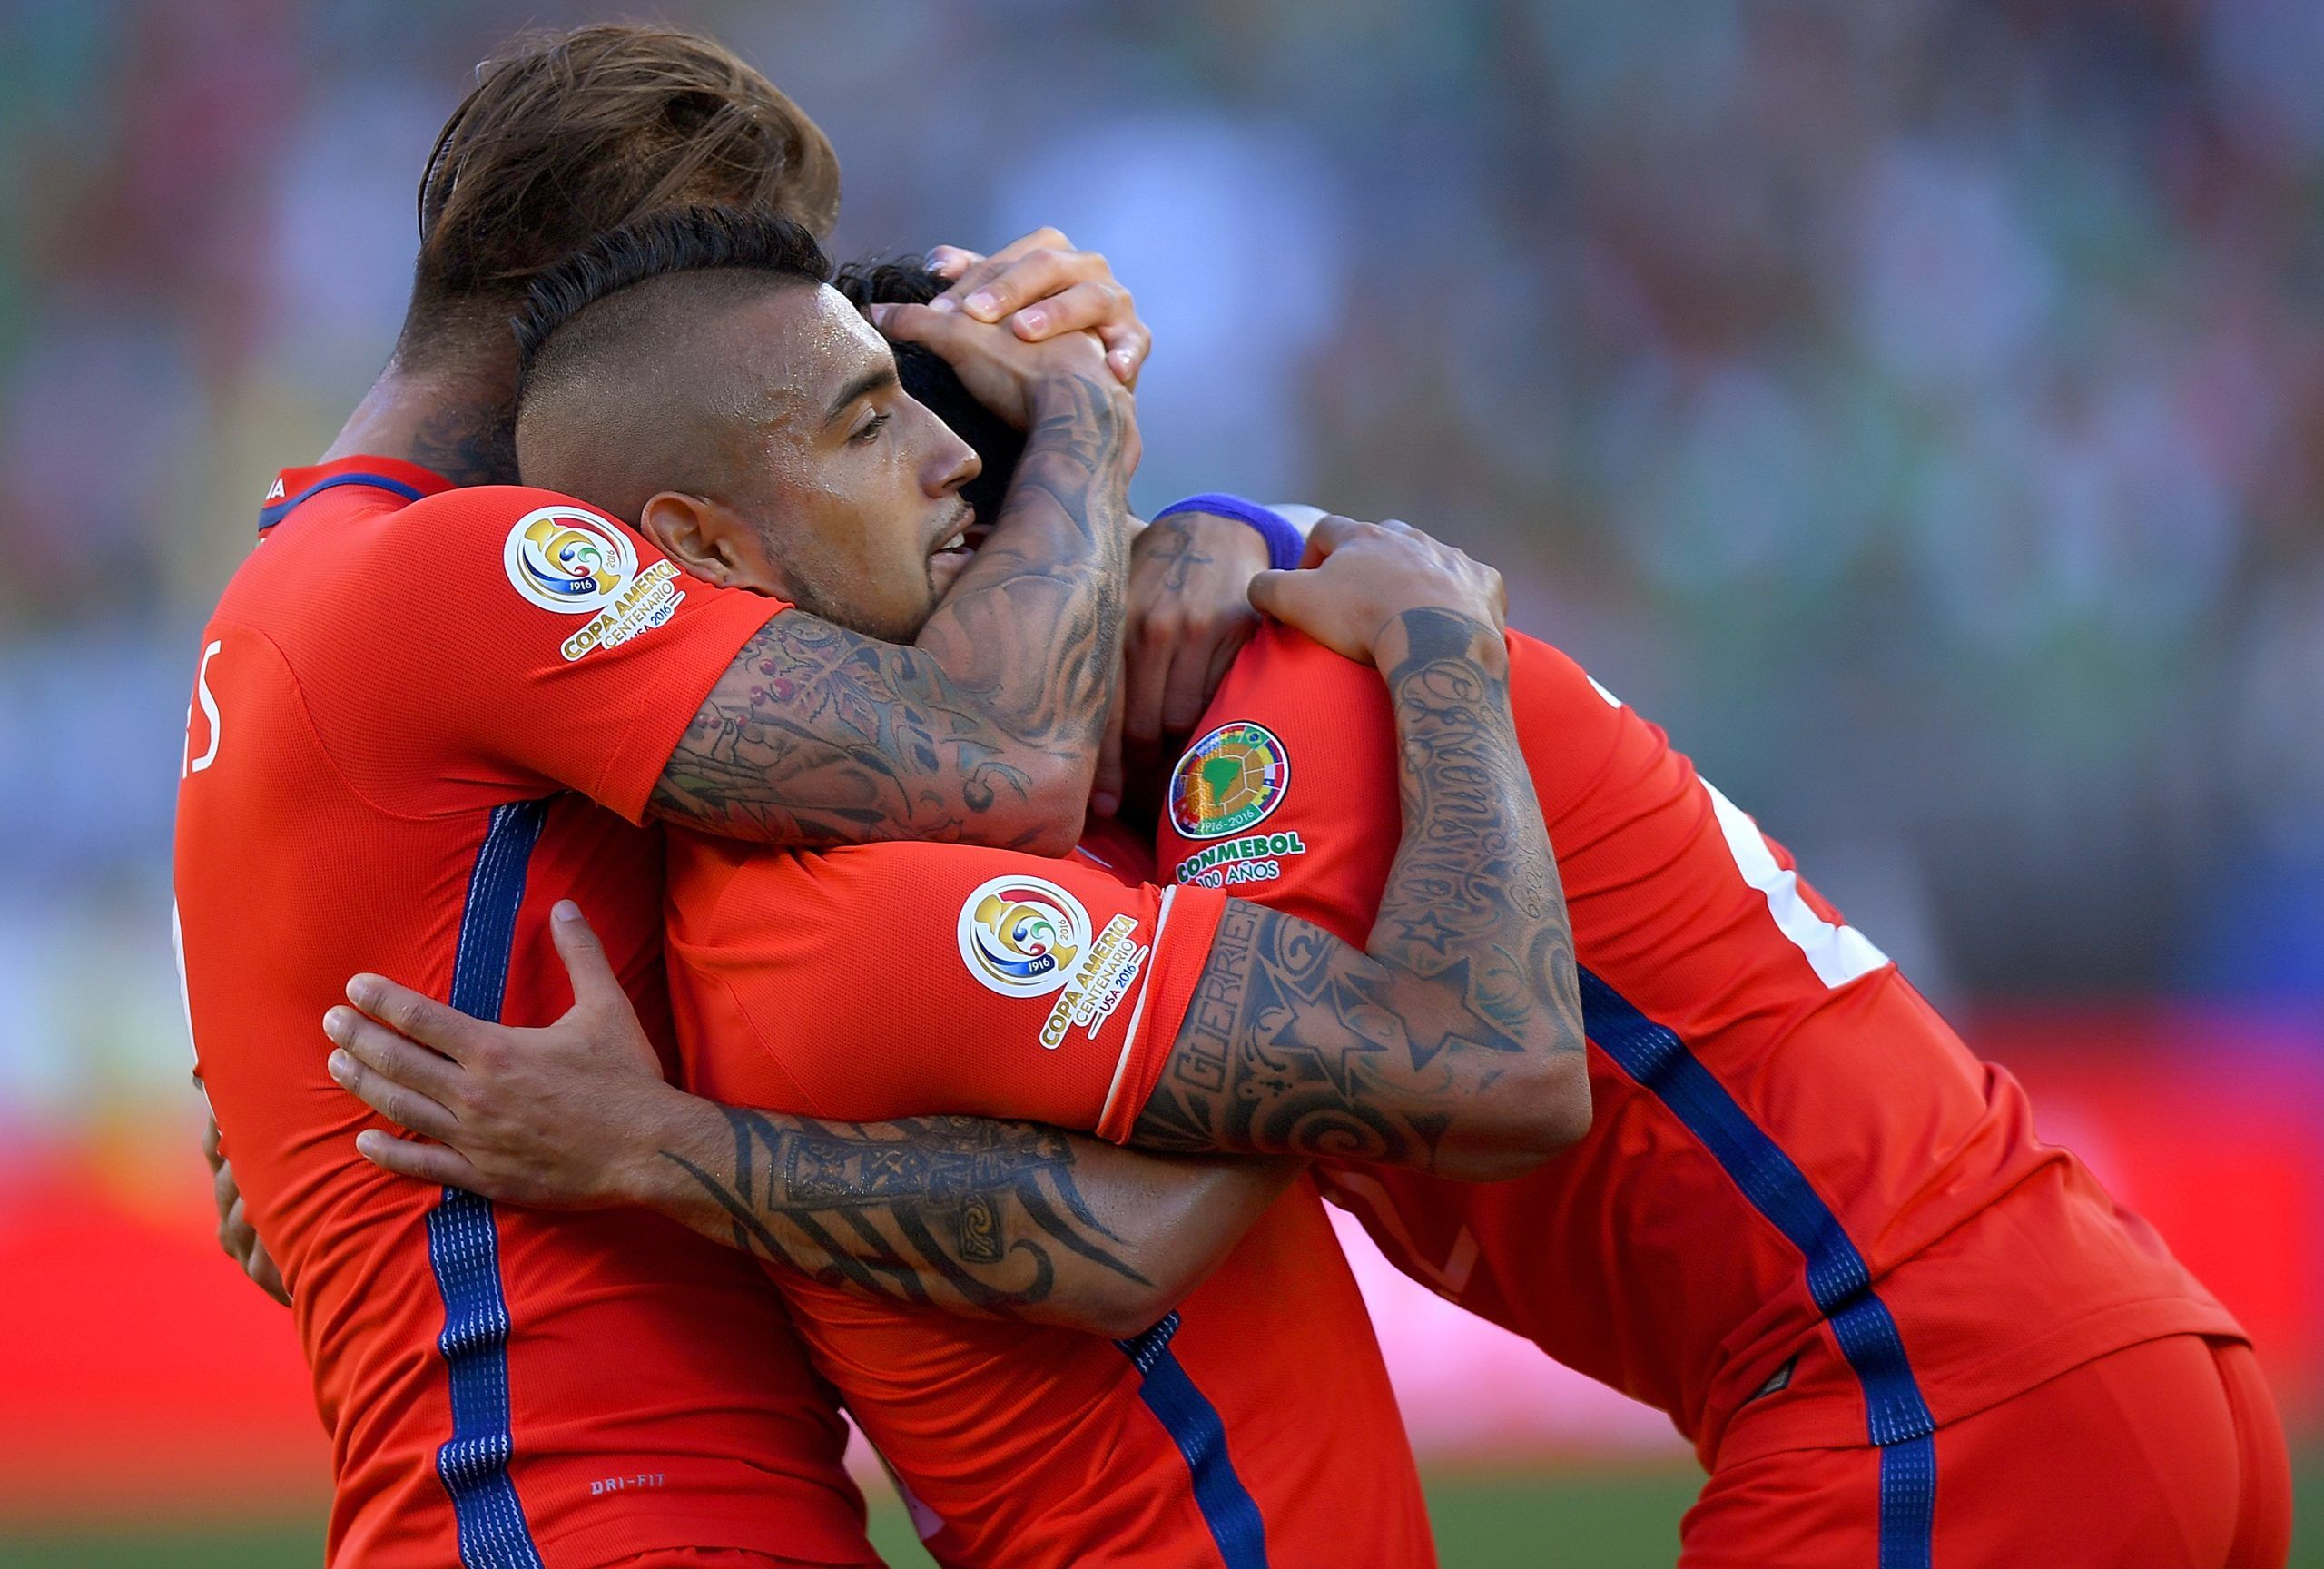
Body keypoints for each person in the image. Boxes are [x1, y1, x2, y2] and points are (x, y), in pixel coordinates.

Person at [332, 254, 2292, 1567]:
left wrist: (659, 1149)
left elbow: (1406, 1115)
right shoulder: (1189, 671)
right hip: (2064, 1359)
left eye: (927, 458)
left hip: (1926, 1400)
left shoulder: (1274, 711)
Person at [334, 203, 1599, 1567]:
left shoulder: (800, 852)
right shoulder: (861, 907)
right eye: (869, 426)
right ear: (701, 545)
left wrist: (1193, 520)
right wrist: (1443, 664)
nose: (950, 459)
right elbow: (1501, 1070)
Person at [175, 24, 1197, 1569]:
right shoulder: (460, 569)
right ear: (580, 293)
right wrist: (1083, 419)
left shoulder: (293, 588)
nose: (761, 332)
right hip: (592, 1520)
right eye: (725, 289)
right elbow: (1010, 766)